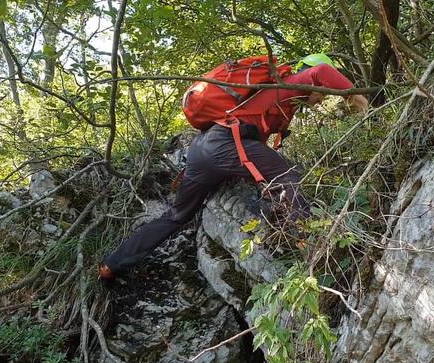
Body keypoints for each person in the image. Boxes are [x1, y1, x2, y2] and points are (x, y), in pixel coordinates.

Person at [99, 53, 368, 279]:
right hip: (227, 143)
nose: (321, 98)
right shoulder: (289, 84)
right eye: (322, 94)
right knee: (287, 175)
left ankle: (112, 265)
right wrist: (360, 101)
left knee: (177, 215)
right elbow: (321, 71)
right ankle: (315, 246)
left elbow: (256, 145)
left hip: (202, 150)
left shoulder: (274, 99)